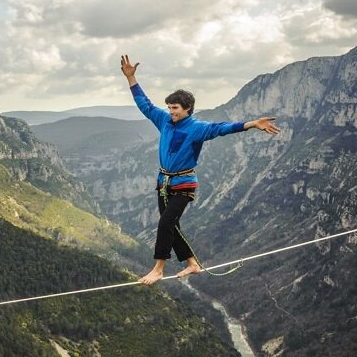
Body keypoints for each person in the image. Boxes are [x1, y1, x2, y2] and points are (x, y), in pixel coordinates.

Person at [120, 55, 280, 285]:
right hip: (164, 182)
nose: (171, 111)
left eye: (175, 108)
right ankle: (192, 263)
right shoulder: (164, 120)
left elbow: (222, 128)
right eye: (169, 107)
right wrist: (131, 78)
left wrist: (252, 124)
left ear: (188, 109)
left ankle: (158, 269)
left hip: (184, 184)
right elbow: (145, 104)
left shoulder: (197, 128)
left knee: (165, 223)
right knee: (172, 224)